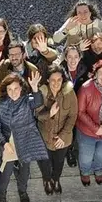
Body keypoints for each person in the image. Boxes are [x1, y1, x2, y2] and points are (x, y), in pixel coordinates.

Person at [0, 71, 46, 202]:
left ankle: (22, 191)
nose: (13, 92)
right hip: (9, 144)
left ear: (21, 88)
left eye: (16, 88)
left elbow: (38, 102)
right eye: (10, 89)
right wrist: (4, 143)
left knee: (24, 172)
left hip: (24, 142)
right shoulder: (2, 103)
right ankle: (1, 195)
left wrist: (35, 88)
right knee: (5, 174)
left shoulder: (26, 100)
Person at [35, 66, 77, 195]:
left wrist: (63, 135)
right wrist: (49, 113)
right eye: (53, 80)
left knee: (59, 161)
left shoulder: (69, 93)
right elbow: (37, 115)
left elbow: (73, 115)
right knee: (44, 161)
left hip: (62, 138)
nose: (56, 83)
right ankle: (47, 179)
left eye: (59, 80)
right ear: (47, 80)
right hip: (44, 136)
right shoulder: (41, 93)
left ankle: (56, 179)